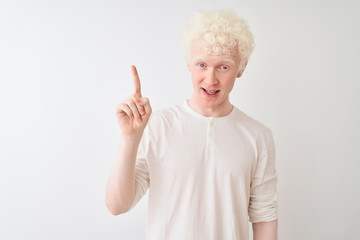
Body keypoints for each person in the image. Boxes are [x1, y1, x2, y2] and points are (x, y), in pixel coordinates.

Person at [105, 9, 279, 240]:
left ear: (241, 67)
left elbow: (264, 217)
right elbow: (117, 205)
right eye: (202, 65)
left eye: (223, 66)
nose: (211, 79)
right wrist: (129, 138)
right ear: (189, 63)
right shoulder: (157, 125)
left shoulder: (258, 136)